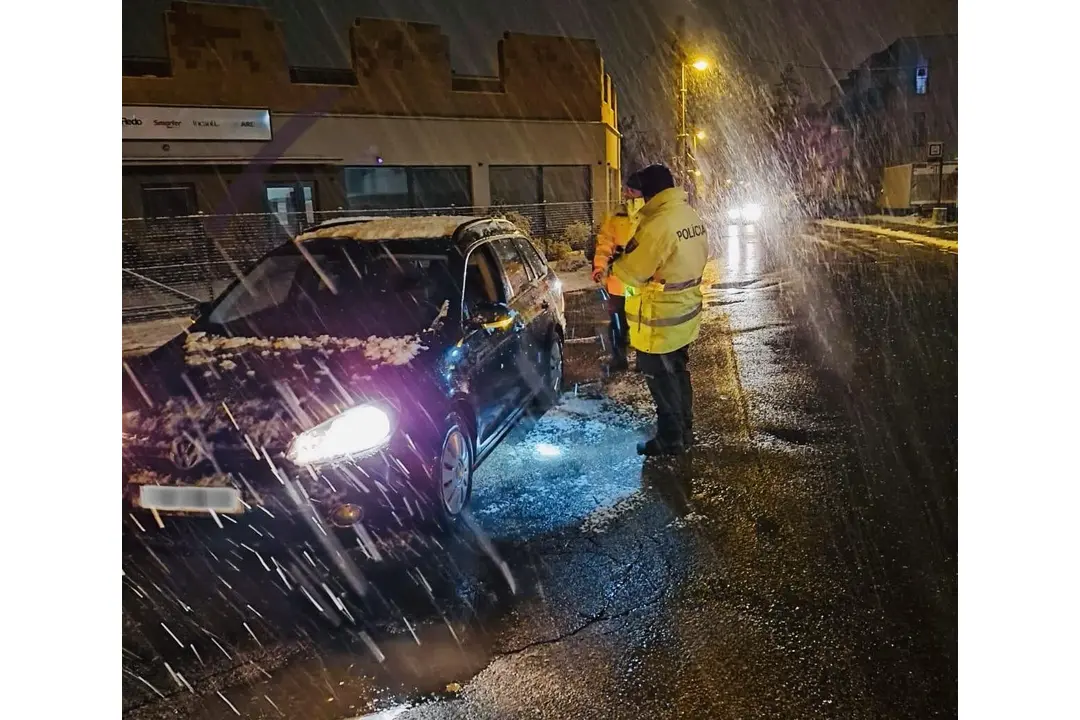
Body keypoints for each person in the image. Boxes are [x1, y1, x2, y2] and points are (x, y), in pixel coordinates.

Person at [610, 164, 709, 456]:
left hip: (659, 319)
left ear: (651, 193)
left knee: (661, 380)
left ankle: (670, 438)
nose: (635, 200)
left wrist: (617, 263)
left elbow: (632, 271)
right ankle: (685, 429)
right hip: (683, 313)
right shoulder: (688, 215)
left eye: (638, 194)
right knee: (677, 372)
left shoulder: (658, 225)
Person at [591, 189, 644, 371]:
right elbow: (605, 244)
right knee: (617, 320)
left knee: (637, 321)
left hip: (636, 281)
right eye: (626, 188)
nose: (626, 192)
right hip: (618, 280)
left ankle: (642, 359)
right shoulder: (616, 215)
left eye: (631, 188)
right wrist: (599, 266)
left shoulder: (647, 213)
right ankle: (619, 358)